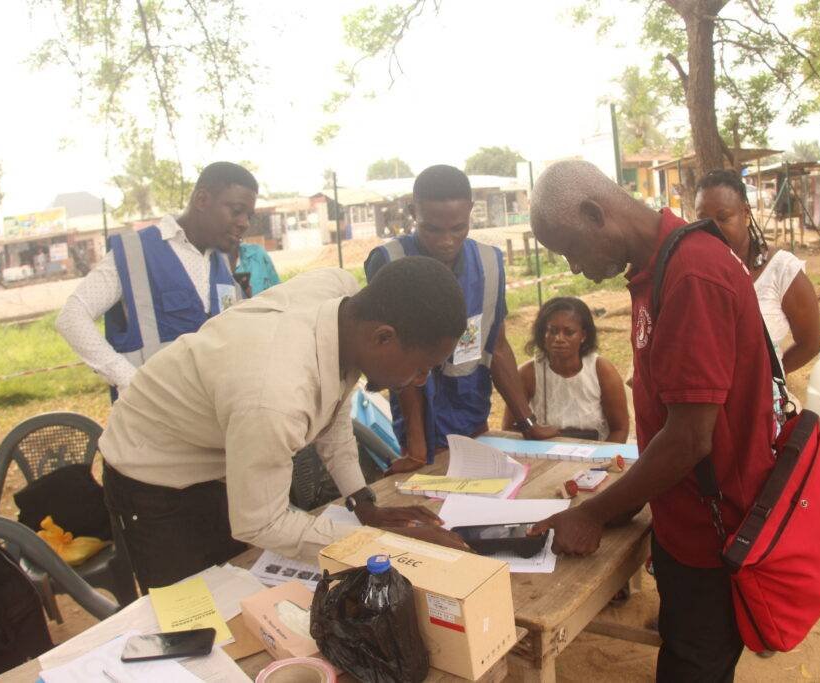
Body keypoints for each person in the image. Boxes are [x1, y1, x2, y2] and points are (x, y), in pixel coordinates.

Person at [526, 160, 776, 681]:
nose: (573, 267)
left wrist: (594, 513)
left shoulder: (692, 272)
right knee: (681, 647)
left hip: (716, 536)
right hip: (683, 523)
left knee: (694, 664)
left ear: (596, 214)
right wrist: (628, 501)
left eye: (570, 248)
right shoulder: (656, 270)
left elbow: (689, 438)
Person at [100, 257, 473, 592]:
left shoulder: (340, 294)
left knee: (239, 581)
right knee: (194, 614)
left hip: (217, 447)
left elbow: (335, 404)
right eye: (422, 366)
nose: (421, 379)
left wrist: (363, 503)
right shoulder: (274, 394)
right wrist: (391, 547)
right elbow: (261, 524)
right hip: (150, 470)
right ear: (383, 337)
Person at [364, 165, 557, 473]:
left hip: (474, 421)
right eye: (433, 229)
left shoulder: (489, 263)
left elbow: (498, 346)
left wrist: (528, 422)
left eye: (457, 228)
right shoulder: (389, 262)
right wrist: (417, 447)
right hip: (421, 435)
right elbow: (398, 361)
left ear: (470, 210)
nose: (446, 241)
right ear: (414, 212)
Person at [56, 162, 254, 396]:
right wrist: (130, 381)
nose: (245, 223)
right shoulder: (135, 253)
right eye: (237, 211)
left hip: (207, 417)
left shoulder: (220, 265)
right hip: (150, 423)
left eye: (249, 216)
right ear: (202, 200)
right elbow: (71, 318)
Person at [694, 170, 820, 374]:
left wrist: (768, 378)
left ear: (745, 214)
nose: (711, 229)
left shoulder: (782, 270)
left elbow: (811, 343)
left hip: (762, 403)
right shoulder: (692, 274)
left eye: (723, 217)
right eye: (702, 220)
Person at [503, 297, 629, 443]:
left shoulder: (602, 370)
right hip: (544, 455)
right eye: (552, 331)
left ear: (583, 335)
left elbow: (620, 429)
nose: (559, 338)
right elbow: (509, 429)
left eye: (569, 332)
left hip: (595, 455)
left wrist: (600, 461)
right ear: (543, 333)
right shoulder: (528, 373)